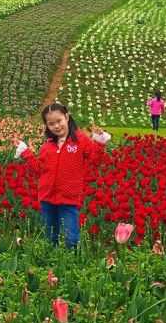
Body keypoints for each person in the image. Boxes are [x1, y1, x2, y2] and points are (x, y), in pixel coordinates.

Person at [15, 102, 111, 249]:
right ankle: (50, 261)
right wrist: (26, 153)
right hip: (47, 197)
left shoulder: (80, 140)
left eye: (59, 121)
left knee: (71, 237)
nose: (56, 126)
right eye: (51, 123)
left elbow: (96, 161)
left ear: (66, 117)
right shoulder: (48, 146)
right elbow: (39, 170)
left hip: (68, 198)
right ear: (47, 126)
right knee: (50, 235)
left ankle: (72, 263)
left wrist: (99, 142)